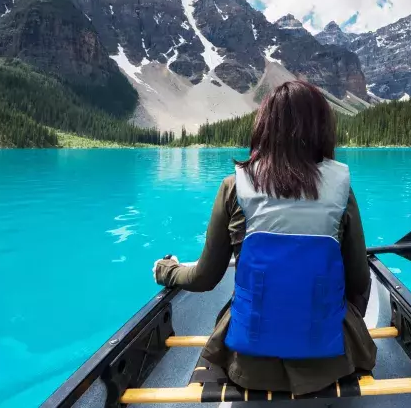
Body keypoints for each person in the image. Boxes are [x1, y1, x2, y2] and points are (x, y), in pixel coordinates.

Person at [153, 80, 376, 396]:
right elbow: (359, 282)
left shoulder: (234, 187)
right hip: (330, 361)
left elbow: (204, 278)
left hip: (248, 364)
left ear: (264, 128)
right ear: (322, 129)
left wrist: (168, 270)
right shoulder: (341, 190)